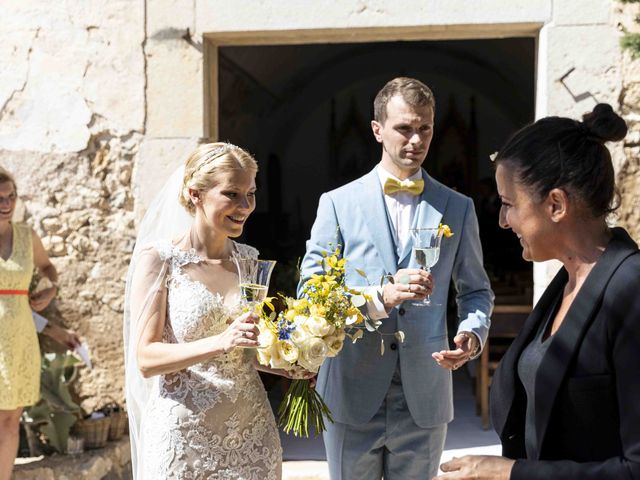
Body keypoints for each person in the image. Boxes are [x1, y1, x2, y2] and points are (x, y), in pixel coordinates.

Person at [299, 77, 494, 480]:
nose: (416, 139)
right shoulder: (336, 203)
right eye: (404, 128)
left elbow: (475, 290)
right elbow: (310, 292)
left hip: (425, 392)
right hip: (352, 387)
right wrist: (379, 297)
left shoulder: (457, 207)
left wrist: (472, 336)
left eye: (425, 128)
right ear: (377, 130)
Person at [436, 104, 640, 480]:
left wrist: (510, 473)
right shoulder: (565, 284)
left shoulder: (631, 291)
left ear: (556, 204)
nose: (501, 220)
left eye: (509, 204)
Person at [124, 142, 312, 479]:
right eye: (232, 194)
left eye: (251, 194)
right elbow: (146, 358)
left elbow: (247, 351)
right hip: (184, 437)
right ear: (196, 194)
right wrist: (220, 341)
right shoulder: (160, 260)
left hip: (251, 435)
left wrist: (290, 364)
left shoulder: (249, 260)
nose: (245, 206)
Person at [0, 167, 74, 480]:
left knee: (9, 419)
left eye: (11, 196)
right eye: (0, 197)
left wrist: (50, 288)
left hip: (19, 338)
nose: (6, 203)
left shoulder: (27, 236)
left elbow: (48, 268)